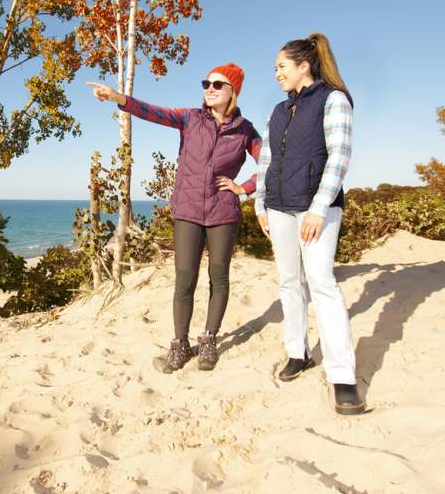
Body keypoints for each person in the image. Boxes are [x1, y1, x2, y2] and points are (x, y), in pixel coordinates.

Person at [87, 63, 261, 373]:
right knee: (185, 280)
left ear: (233, 91)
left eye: (217, 85)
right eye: (206, 82)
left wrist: (243, 187)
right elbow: (151, 111)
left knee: (218, 278)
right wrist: (117, 98)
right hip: (188, 211)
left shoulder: (245, 130)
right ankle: (180, 345)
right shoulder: (189, 118)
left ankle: (208, 341)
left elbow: (272, 164)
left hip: (223, 212)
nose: (209, 88)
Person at [254, 33, 365, 415]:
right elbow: (266, 161)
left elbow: (339, 156)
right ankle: (297, 352)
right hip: (279, 208)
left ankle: (343, 376)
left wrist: (318, 208)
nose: (276, 73)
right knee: (289, 281)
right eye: (275, 67)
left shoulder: (333, 99)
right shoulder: (279, 111)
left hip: (316, 209)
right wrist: (260, 205)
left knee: (322, 284)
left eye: (281, 66)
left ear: (304, 65)